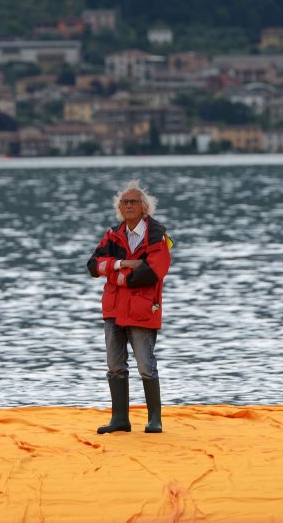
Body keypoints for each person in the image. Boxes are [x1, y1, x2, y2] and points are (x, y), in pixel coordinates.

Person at [87, 179, 172, 434]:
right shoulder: (112, 234)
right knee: (115, 366)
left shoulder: (158, 236)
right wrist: (120, 264)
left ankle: (154, 420)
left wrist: (113, 273)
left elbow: (152, 272)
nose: (128, 206)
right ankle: (120, 420)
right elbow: (93, 265)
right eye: (124, 202)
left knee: (146, 366)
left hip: (142, 310)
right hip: (114, 309)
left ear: (145, 206)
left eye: (133, 201)